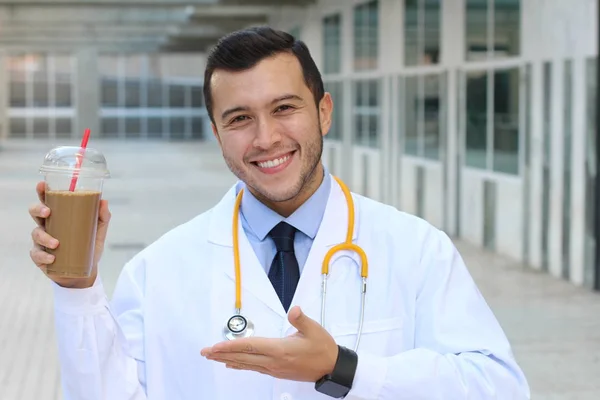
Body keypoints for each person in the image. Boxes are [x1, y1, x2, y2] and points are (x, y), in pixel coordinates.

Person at [29, 26, 530, 399]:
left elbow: (500, 387)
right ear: (217, 133)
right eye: (240, 118)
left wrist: (343, 368)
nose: (265, 138)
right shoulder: (157, 271)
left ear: (324, 111)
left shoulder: (417, 249)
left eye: (284, 108)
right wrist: (77, 291)